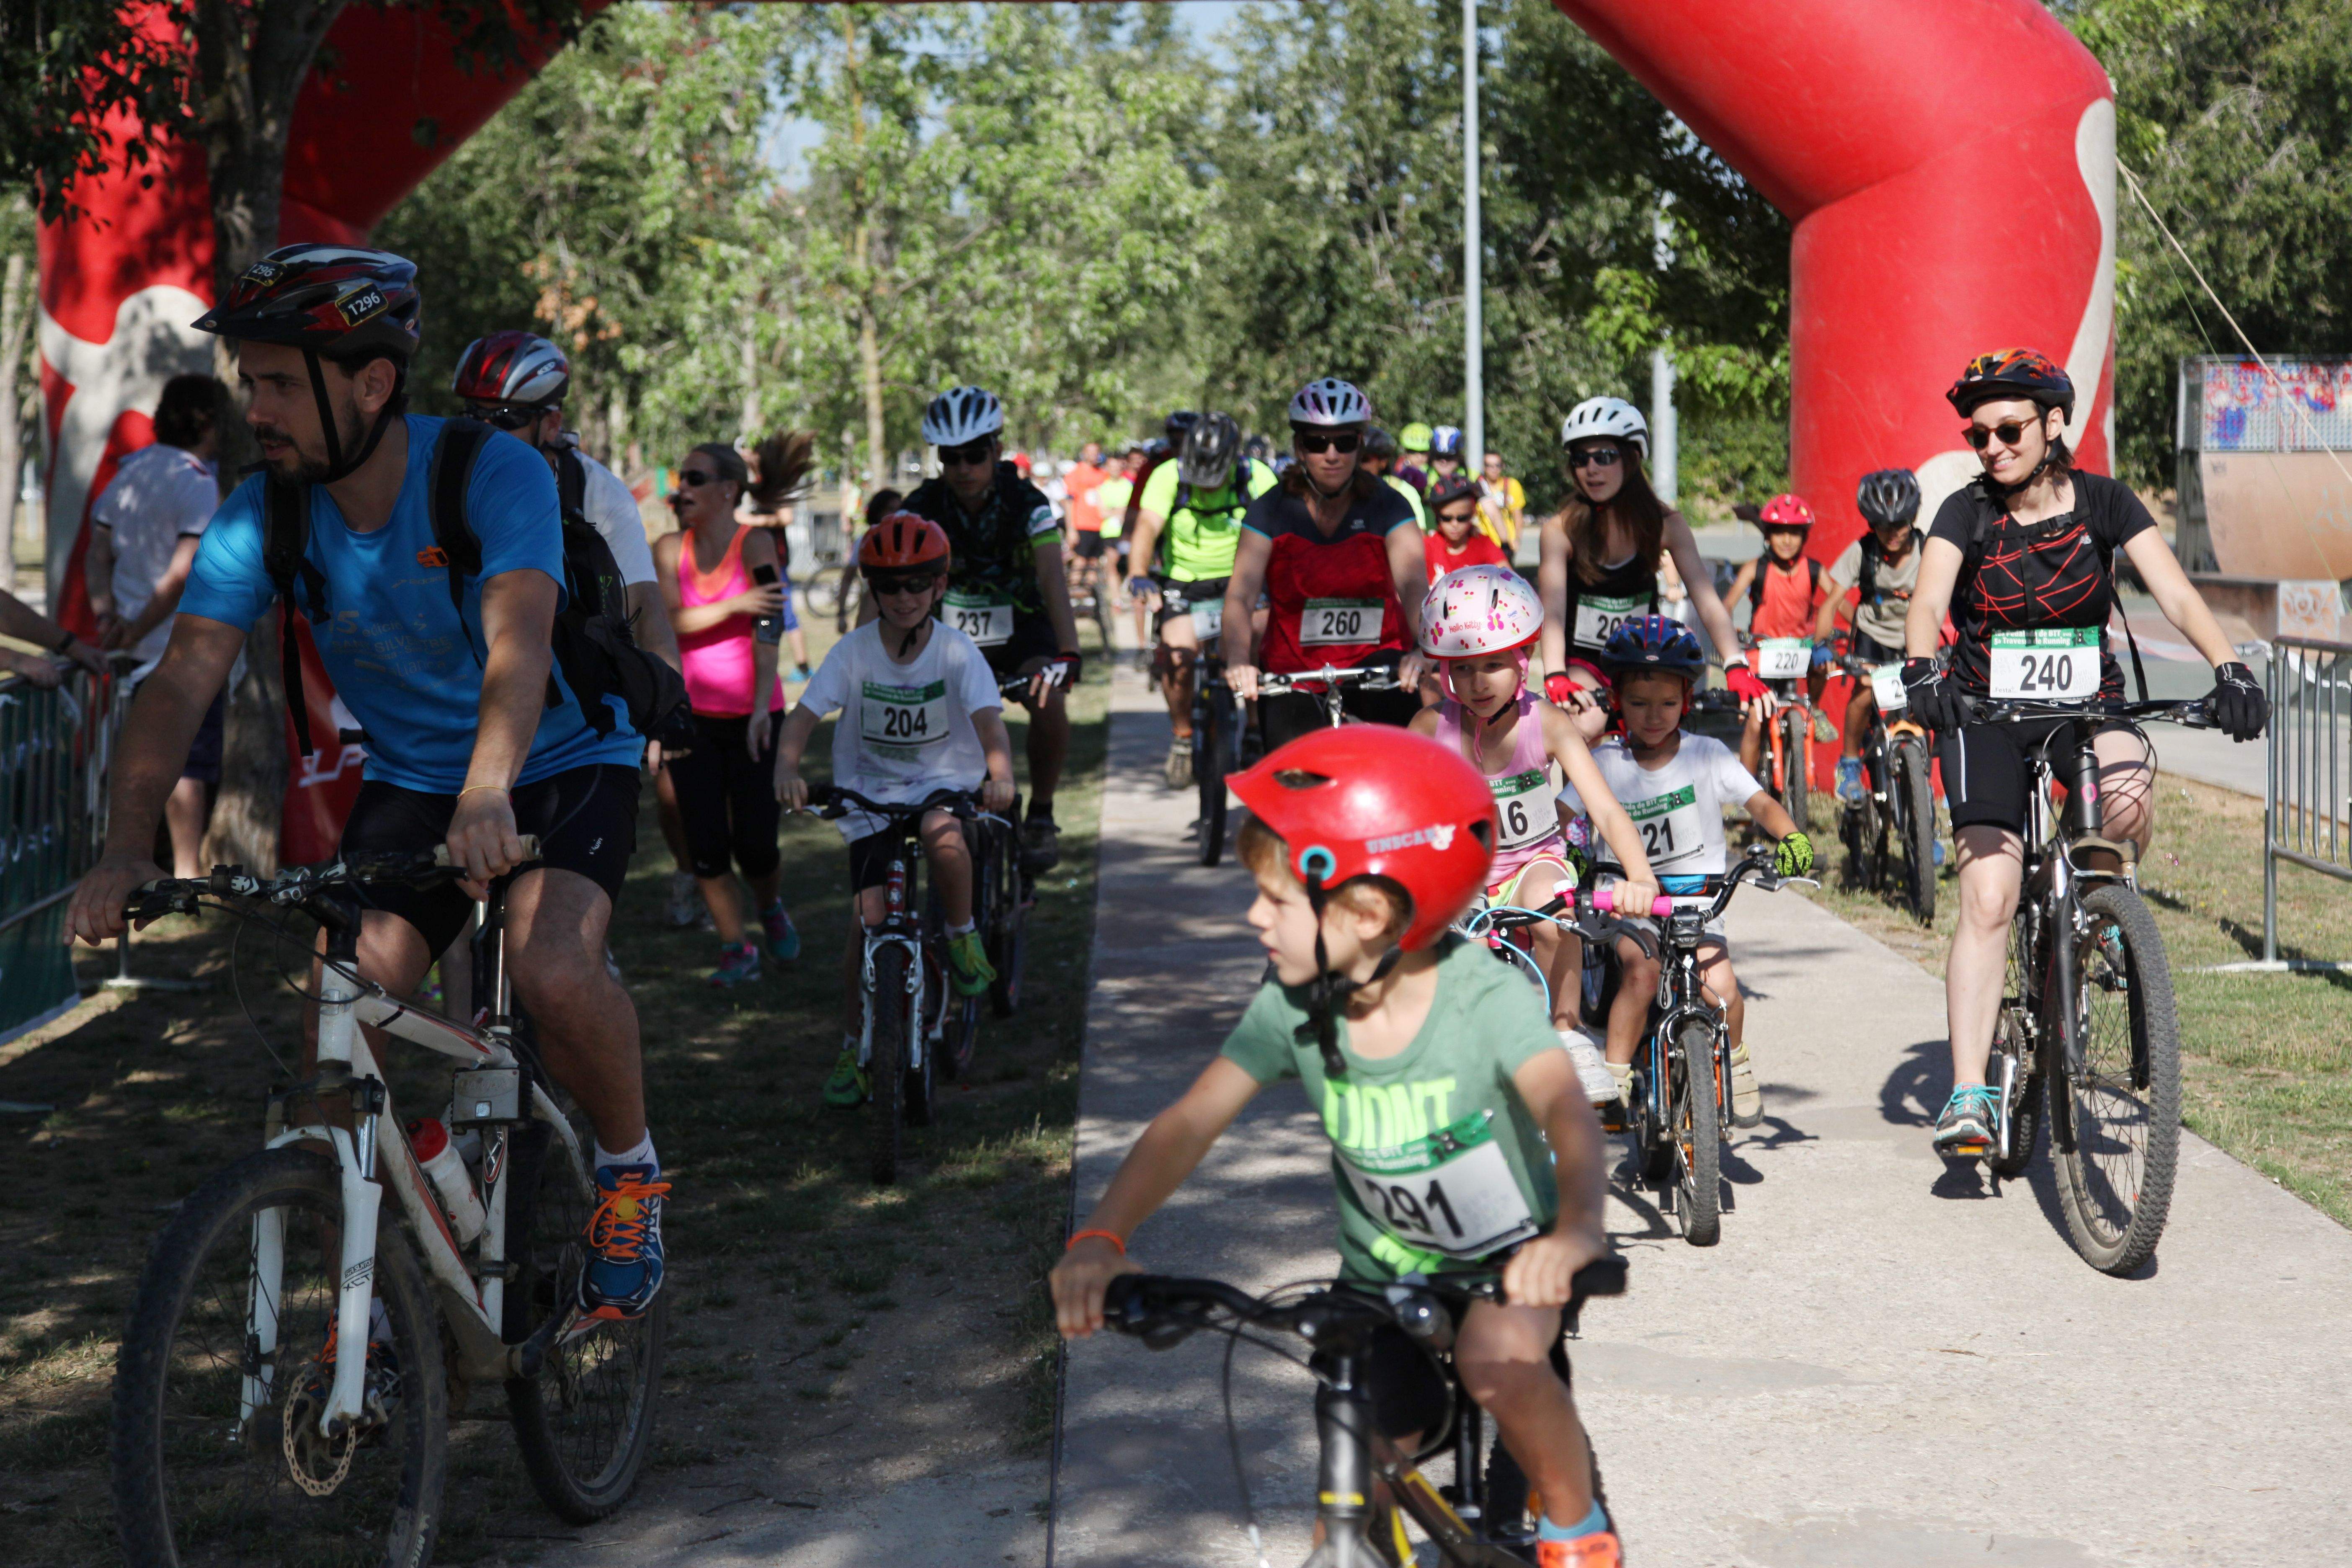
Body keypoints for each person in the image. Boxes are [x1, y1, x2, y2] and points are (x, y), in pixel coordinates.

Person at [67, 244, 668, 1323]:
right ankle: (383, 1275)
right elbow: (178, 683)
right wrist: (124, 845)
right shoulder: (266, 515)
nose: (260, 407)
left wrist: (491, 789)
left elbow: (518, 643)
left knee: (553, 967)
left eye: (282, 382)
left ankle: (629, 1175)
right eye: (251, 382)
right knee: (335, 1018)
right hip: (420, 778)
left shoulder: (491, 473)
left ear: (373, 383)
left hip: (564, 758)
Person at [1050, 725, 1626, 1568]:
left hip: (1513, 1261)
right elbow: (1185, 1126)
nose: (1254, 916)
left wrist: (1575, 1230)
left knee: (1494, 1360)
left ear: (1367, 911)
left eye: (1275, 899)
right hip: (1382, 1285)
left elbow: (1567, 1114)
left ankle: (1578, 1527)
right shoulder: (1293, 1010)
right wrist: (1101, 1238)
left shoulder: (1482, 996)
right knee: (1354, 1470)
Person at [1900, 349, 2266, 1154]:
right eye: (1979, 432)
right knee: (1990, 893)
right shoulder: (1965, 512)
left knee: (2129, 793)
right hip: (1983, 710)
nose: (1991, 446)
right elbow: (1929, 597)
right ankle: (1969, 1091)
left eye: (2008, 428)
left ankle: (2089, 908)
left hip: (2083, 705)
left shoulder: (2104, 500)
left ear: (2053, 423)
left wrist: (2229, 665)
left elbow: (2172, 591)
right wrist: (1922, 667)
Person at [774, 513, 1018, 1105]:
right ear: (872, 591)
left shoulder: (957, 652)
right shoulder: (854, 652)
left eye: (917, 584)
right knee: (869, 920)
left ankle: (961, 936)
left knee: (948, 839)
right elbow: (804, 717)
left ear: (939, 587)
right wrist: (787, 767)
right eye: (889, 586)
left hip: (941, 787)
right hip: (871, 796)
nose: (904, 597)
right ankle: (854, 1040)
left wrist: (1002, 774)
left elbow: (989, 721)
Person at [1409, 565, 1661, 1089]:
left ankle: (1568, 1033)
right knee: (1465, 963)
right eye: (1464, 667)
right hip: (1463, 877)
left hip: (1530, 865)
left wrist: (1641, 878)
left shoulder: (1545, 722)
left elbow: (1608, 811)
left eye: (1495, 665)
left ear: (1523, 661)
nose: (1478, 683)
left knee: (1554, 907)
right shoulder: (1431, 728)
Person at [1564, 616, 1813, 1125]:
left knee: (1724, 991)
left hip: (1697, 903)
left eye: (1668, 703)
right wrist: (1571, 852)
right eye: (1638, 703)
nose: (1653, 716)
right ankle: (1615, 1077)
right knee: (1642, 970)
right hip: (1628, 903)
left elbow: (1760, 802)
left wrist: (1791, 835)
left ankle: (1737, 1065)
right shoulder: (1605, 762)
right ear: (1617, 701)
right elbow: (1565, 816)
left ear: (1688, 698)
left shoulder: (1708, 755)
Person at [894, 385, 1082, 871]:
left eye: (974, 456)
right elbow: (886, 581)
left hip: (1021, 632)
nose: (963, 468)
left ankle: (1041, 814)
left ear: (997, 450)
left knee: (1048, 696)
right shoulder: (920, 506)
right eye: (951, 457)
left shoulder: (1028, 503)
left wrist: (1069, 650)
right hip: (948, 639)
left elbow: (1051, 577)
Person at [655, 438, 811, 986]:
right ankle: (735, 948)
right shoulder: (669, 549)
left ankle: (769, 908)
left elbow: (769, 623)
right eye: (681, 480)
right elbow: (669, 620)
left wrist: (763, 709)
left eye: (695, 479)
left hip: (754, 717)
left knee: (756, 843)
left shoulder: (756, 542)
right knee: (705, 842)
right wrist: (735, 605)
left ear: (728, 490)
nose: (683, 490)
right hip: (692, 717)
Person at [1223, 378, 1429, 752]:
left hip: (1377, 668)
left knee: (1406, 767)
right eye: (1318, 443)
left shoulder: (1390, 505)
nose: (1332, 454)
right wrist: (1240, 662)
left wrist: (1424, 648)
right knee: (1293, 782)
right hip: (1294, 675)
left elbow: (1415, 585)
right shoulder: (1269, 510)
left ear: (1360, 444)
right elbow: (1240, 596)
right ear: (1300, 447)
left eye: (1345, 442)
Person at [1538, 397, 1760, 743]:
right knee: (1586, 726)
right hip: (1585, 664)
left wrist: (1735, 664)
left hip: (1644, 659)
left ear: (1632, 459)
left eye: (1605, 457)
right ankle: (1573, 798)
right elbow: (1551, 612)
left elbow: (1707, 600)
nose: (1591, 469)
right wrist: (1554, 674)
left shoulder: (1667, 524)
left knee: (1658, 743)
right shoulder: (1559, 530)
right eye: (1581, 459)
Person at [84, 373, 228, 876]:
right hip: (178, 652)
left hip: (133, 649)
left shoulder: (131, 471)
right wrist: (138, 626)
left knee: (136, 760)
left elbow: (97, 554)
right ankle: (186, 873)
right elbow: (182, 573)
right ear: (211, 421)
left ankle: (133, 864)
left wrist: (108, 617)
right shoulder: (198, 481)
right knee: (187, 762)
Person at [1124, 412, 1275, 787]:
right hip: (1186, 583)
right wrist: (1139, 574)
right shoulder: (1167, 475)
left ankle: (1254, 727)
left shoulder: (1256, 476)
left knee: (1259, 639)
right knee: (1175, 656)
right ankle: (1181, 737)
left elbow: (1283, 531)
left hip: (1244, 581)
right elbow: (1146, 527)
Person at [1817, 468, 1925, 803]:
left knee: (1929, 703)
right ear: (1870, 523)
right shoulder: (1862, 552)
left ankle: (1928, 803)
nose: (1892, 534)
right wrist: (1822, 647)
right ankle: (1849, 763)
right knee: (1864, 695)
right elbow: (1830, 603)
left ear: (1913, 519)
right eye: (1882, 526)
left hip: (1914, 636)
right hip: (1872, 638)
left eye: (1900, 525)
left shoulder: (1929, 550)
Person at [1723, 492, 1833, 780]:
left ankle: (1816, 709)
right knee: (1755, 722)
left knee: (1824, 663)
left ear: (1804, 537)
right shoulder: (1755, 569)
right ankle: (1746, 791)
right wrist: (1730, 631)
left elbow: (1839, 602)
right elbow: (1726, 607)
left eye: (1795, 533)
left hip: (1800, 653)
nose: (1787, 540)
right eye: (1779, 532)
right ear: (1768, 536)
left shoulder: (1813, 570)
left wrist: (1834, 632)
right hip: (1761, 656)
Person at [1422, 475, 1511, 585]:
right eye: (1446, 518)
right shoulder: (1427, 547)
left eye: (1462, 518)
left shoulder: (1483, 544)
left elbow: (1509, 580)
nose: (1454, 524)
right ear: (1436, 514)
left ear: (1473, 513)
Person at [1359, 426, 1428, 531]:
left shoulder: (1404, 492)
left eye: (1365, 460)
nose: (1359, 465)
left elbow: (1419, 537)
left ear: (1383, 462)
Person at [1478, 450, 1527, 553]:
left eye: (1498, 465)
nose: (1494, 469)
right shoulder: (1478, 487)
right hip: (1484, 544)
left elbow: (1518, 516)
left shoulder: (1512, 485)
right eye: (1489, 466)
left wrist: (1517, 539)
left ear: (1503, 466)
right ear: (1484, 467)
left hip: (1506, 543)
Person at [1395, 420, 1434, 496]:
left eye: (1423, 452)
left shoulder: (1435, 471)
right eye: (1413, 452)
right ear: (1405, 452)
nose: (1419, 457)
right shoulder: (1397, 470)